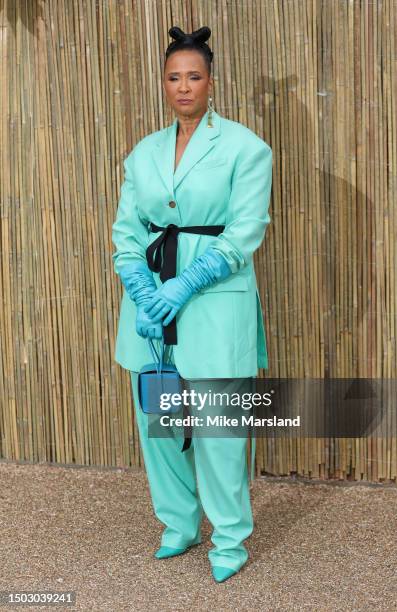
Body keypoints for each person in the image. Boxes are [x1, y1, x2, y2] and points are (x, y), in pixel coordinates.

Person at [111, 25, 273, 583]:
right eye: (174, 77)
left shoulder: (246, 148)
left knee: (219, 428)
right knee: (158, 420)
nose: (184, 87)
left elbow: (245, 230)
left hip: (213, 305)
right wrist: (142, 289)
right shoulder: (142, 152)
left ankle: (229, 538)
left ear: (211, 82)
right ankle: (178, 524)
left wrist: (187, 282)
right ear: (163, 84)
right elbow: (127, 232)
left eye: (194, 77)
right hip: (152, 308)